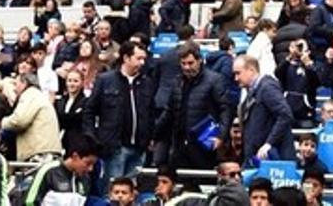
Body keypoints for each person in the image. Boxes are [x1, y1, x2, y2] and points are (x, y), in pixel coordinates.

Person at [83, 41, 156, 179]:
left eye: (144, 59)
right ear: (126, 58)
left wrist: (150, 137)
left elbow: (151, 112)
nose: (142, 63)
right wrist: (92, 137)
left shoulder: (147, 82)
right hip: (115, 147)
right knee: (113, 190)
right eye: (138, 58)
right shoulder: (105, 80)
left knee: (132, 191)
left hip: (139, 147)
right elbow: (89, 111)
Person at [167, 42, 232, 169]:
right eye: (183, 63)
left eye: (190, 63)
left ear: (200, 60)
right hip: (180, 144)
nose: (186, 67)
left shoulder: (215, 80)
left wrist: (220, 136)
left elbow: (225, 109)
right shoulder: (177, 82)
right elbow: (170, 111)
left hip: (205, 142)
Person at [233, 54, 295, 164]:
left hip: (272, 159)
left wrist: (269, 143)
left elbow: (285, 115)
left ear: (251, 70)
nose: (236, 78)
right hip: (257, 157)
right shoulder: (252, 92)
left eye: (238, 73)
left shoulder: (267, 88)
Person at [21, 132, 99, 206]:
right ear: (75, 156)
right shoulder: (49, 171)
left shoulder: (85, 179)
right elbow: (29, 202)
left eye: (93, 165)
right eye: (88, 163)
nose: (90, 169)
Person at [2, 72, 61, 162]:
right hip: (45, 151)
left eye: (16, 84)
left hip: (39, 153)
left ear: (24, 83)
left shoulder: (30, 94)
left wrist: (2, 122)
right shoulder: (38, 96)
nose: (14, 88)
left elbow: (19, 120)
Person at [55, 69, 87, 137]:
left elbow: (75, 121)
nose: (72, 84)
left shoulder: (86, 102)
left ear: (82, 83)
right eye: (69, 81)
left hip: (77, 141)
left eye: (76, 81)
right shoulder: (60, 101)